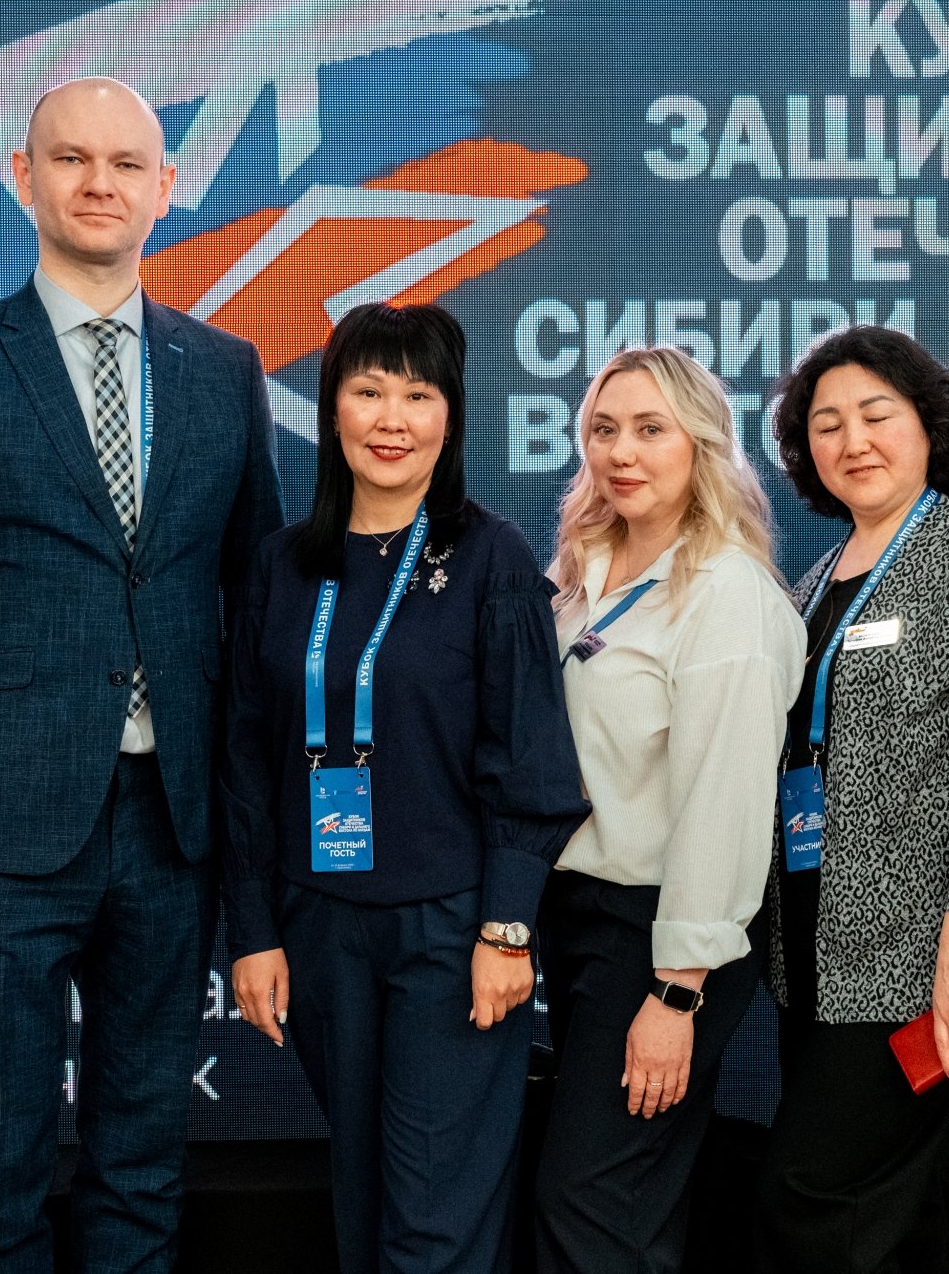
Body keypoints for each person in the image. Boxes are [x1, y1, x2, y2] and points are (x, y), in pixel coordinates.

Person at [0, 77, 283, 1272]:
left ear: (165, 187)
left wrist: (249, 853)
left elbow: (253, 622)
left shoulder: (224, 369)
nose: (100, 183)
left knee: (142, 1175)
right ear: (24, 178)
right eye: (72, 158)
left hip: (173, 834)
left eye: (126, 163)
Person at [219, 301, 588, 1274]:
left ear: (449, 415)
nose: (392, 418)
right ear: (331, 407)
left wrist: (506, 929)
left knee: (434, 1219)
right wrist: (252, 928)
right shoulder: (281, 565)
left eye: (418, 395)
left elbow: (531, 762)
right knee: (366, 1195)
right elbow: (246, 761)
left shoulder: (490, 558)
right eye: (369, 390)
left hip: (452, 931)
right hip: (320, 925)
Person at [751, 325, 949, 1274]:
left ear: (929, 425)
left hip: (913, 962)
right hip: (812, 955)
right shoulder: (815, 582)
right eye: (827, 425)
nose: (853, 441)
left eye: (876, 415)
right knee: (880, 1218)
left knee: (814, 1200)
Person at [531, 345, 805, 1274]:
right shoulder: (584, 574)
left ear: (702, 443)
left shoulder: (728, 595)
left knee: (590, 1199)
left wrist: (677, 991)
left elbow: (725, 805)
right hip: (579, 920)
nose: (622, 452)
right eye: (604, 429)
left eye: (651, 429)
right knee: (619, 1202)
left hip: (661, 937)